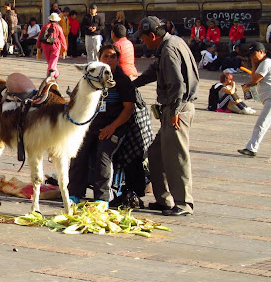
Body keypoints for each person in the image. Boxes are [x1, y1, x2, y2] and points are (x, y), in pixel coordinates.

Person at [133, 16, 199, 216]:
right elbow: (154, 72)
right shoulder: (171, 43)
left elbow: (177, 84)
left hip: (176, 108)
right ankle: (164, 200)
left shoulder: (169, 49)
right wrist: (132, 84)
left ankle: (183, 203)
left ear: (152, 35)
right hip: (173, 108)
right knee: (156, 153)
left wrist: (175, 111)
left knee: (176, 157)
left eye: (143, 38)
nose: (142, 41)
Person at [69, 44, 136, 204]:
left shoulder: (122, 80)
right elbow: (75, 99)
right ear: (99, 58)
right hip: (90, 125)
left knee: (103, 156)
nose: (109, 59)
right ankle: (74, 194)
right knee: (78, 152)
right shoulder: (90, 77)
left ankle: (101, 198)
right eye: (106, 56)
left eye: (113, 56)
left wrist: (112, 128)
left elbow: (128, 109)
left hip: (115, 126)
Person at [238, 42, 271, 156]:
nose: (252, 57)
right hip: (268, 98)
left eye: (253, 54)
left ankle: (252, 148)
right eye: (250, 55)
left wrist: (253, 64)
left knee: (261, 124)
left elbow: (254, 80)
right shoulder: (264, 63)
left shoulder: (266, 62)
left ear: (261, 52)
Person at [37, 12, 67, 79]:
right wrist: (64, 47)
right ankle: (50, 74)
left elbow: (40, 36)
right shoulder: (58, 27)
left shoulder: (45, 26)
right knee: (53, 61)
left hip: (45, 45)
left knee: (49, 61)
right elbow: (62, 38)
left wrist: (38, 45)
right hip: (55, 45)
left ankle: (56, 73)